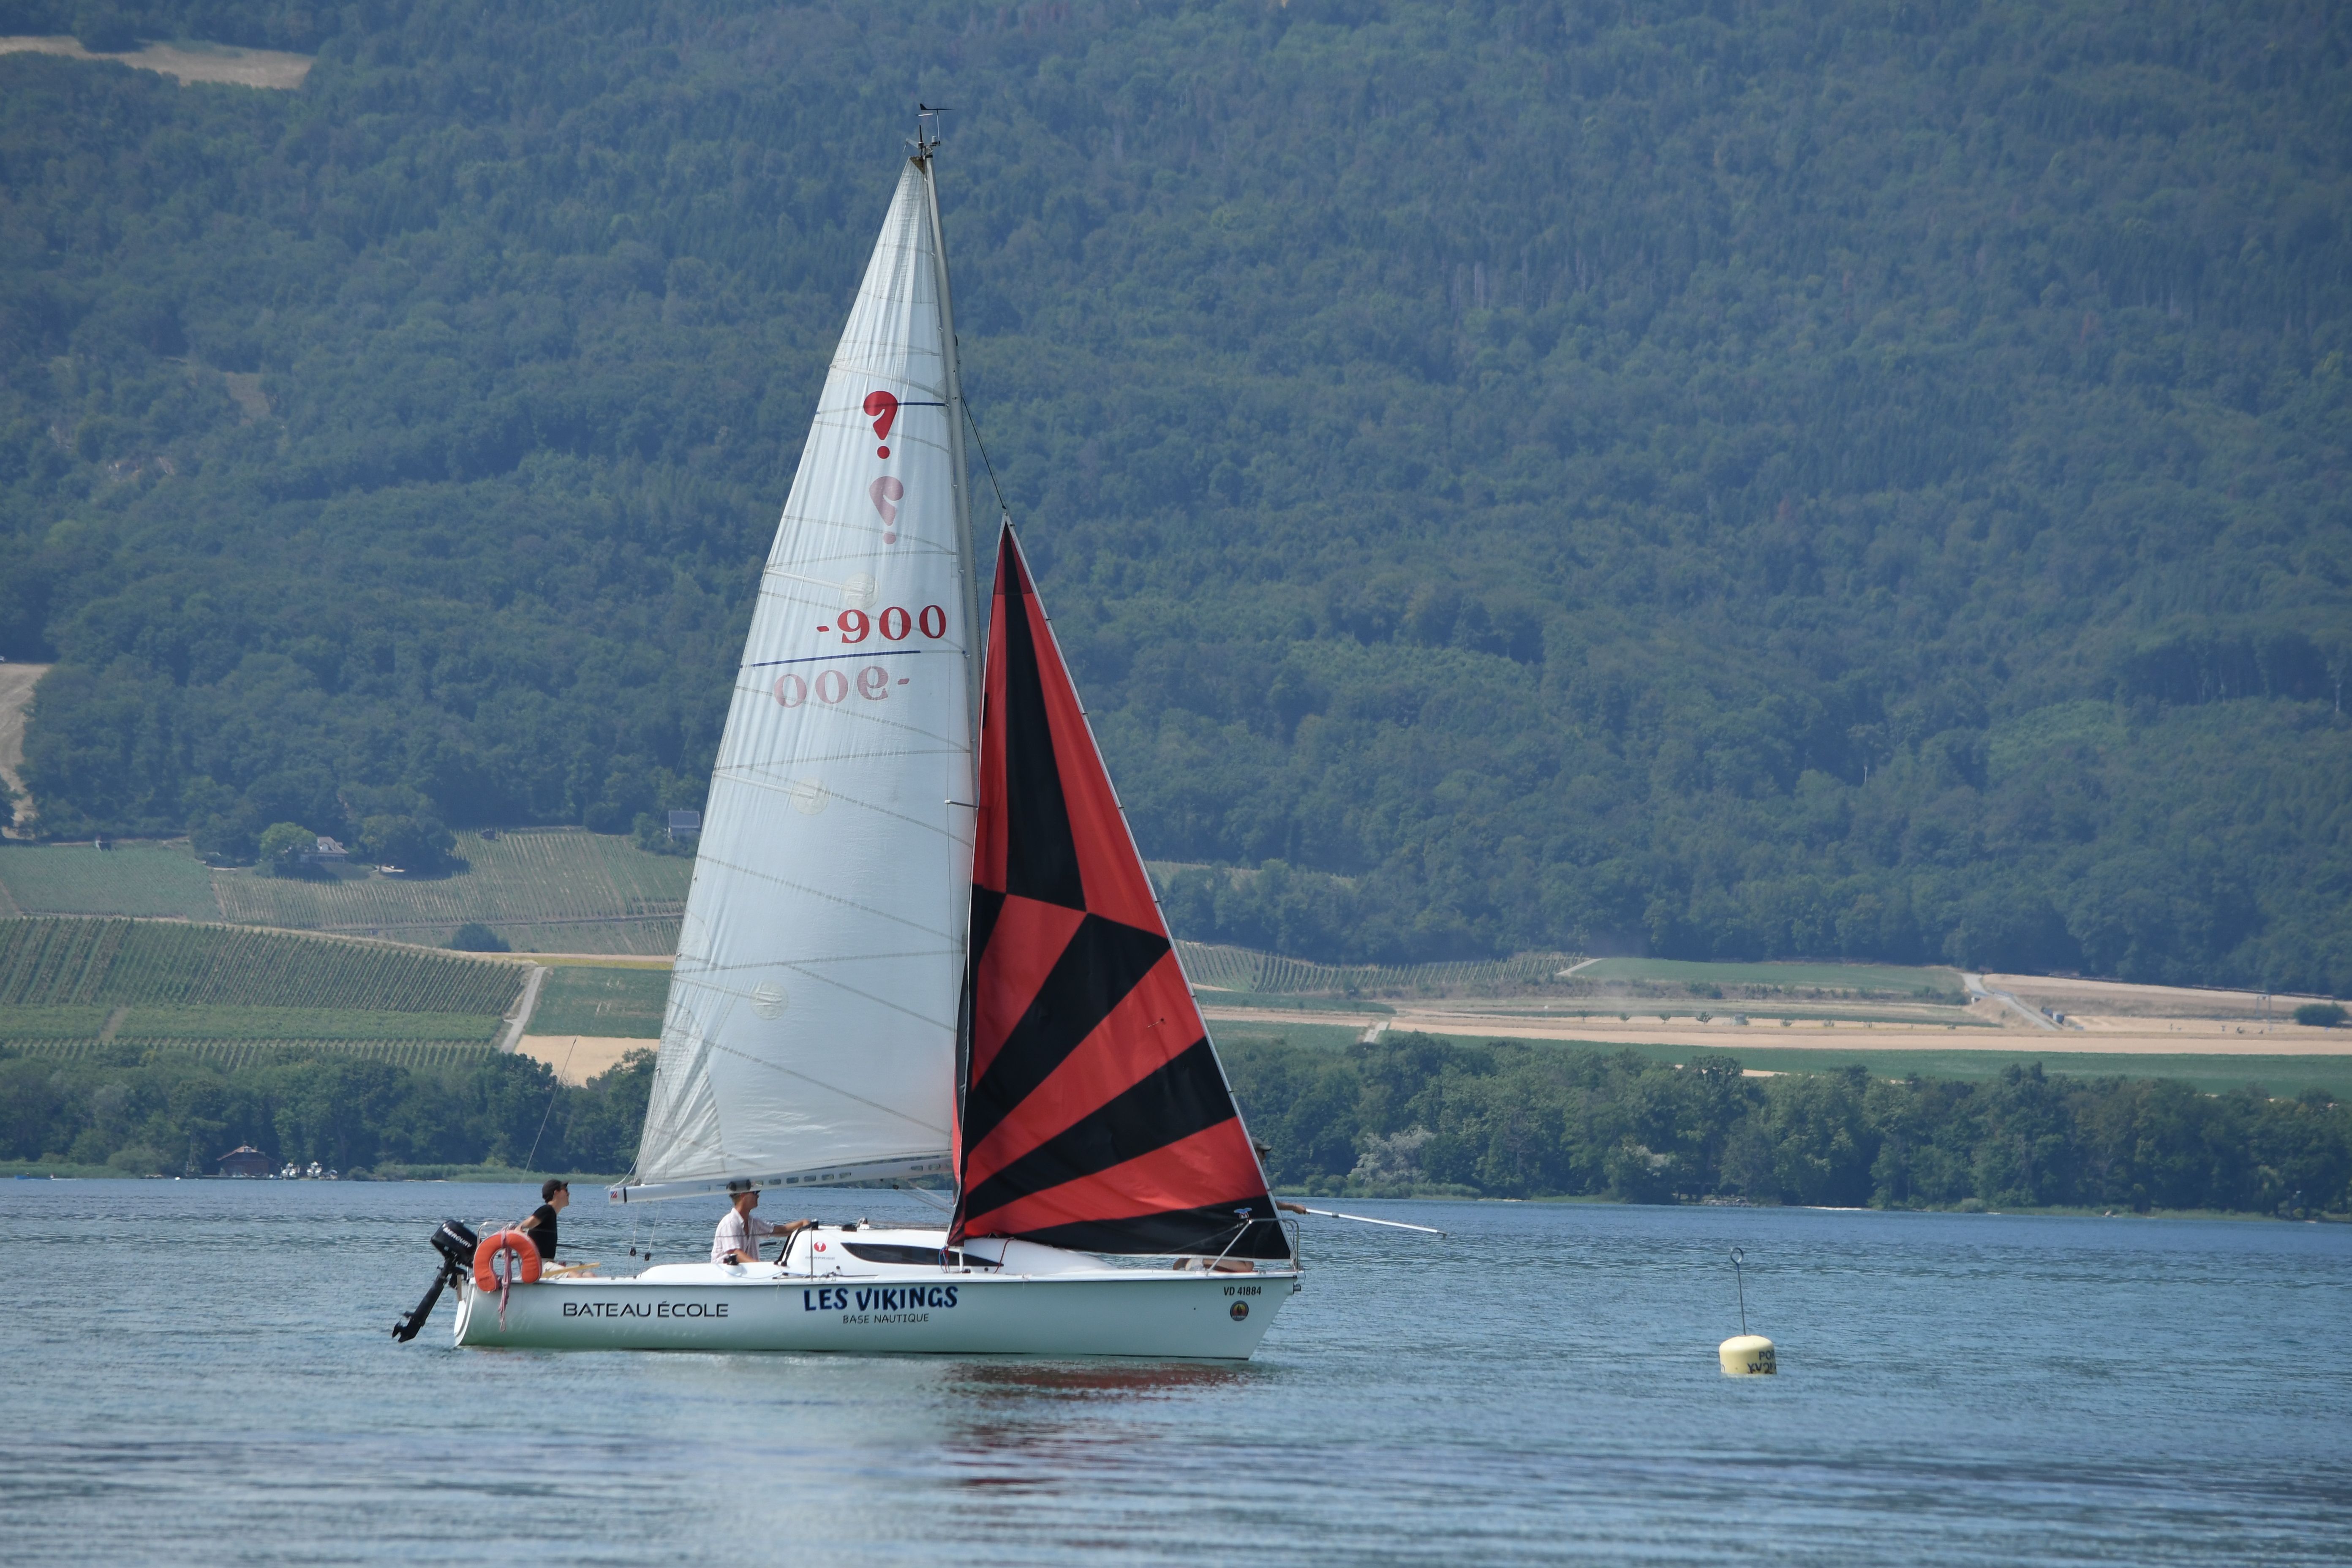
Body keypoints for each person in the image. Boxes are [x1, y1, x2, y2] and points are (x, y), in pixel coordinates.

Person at [711, 1185, 811, 1265]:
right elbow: (735, 1253)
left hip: (747, 1277)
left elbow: (781, 1230)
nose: (758, 1196)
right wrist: (760, 1267)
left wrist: (803, 1223)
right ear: (743, 1195)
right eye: (755, 1193)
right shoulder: (730, 1223)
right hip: (727, 1278)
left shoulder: (753, 1223)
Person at [520, 1179, 568, 1262]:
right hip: (541, 1266)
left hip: (547, 1264)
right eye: (565, 1190)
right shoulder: (547, 1210)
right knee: (578, 1276)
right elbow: (522, 1227)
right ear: (556, 1193)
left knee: (588, 1274)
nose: (568, 1193)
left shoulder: (551, 1213)